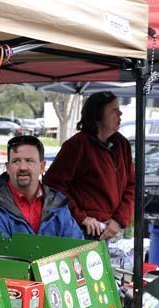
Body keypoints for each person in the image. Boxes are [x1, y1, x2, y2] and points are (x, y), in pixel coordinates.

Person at [43, 91, 134, 240]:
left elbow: (131, 185)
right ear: (97, 116)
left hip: (107, 230)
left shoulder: (122, 145)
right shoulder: (77, 146)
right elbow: (53, 187)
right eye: (113, 110)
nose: (120, 113)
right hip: (80, 231)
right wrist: (82, 217)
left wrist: (118, 221)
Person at [0, 135, 83, 254]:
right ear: (8, 167)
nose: (22, 167)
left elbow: (77, 252)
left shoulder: (58, 207)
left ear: (42, 167)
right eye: (16, 161)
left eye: (29, 161)